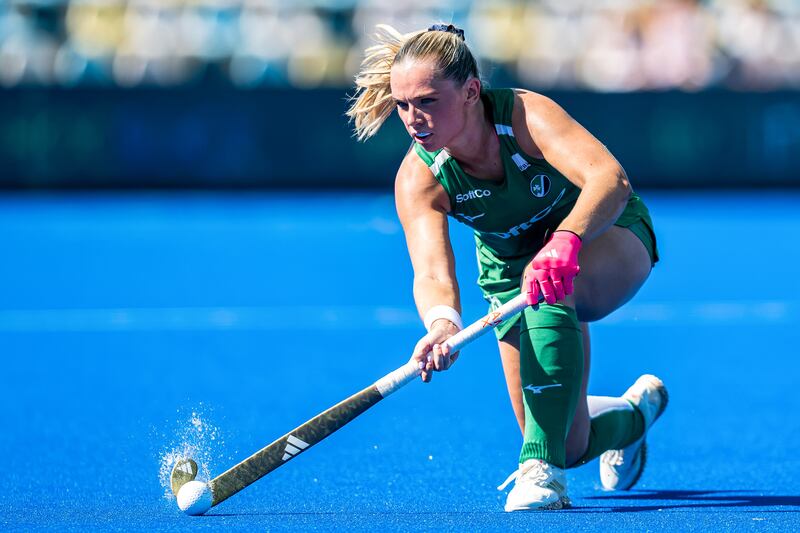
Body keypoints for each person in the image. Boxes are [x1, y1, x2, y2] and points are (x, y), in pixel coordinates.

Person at [346, 23, 668, 511]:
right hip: (515, 270)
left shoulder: (523, 115)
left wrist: (565, 240)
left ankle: (540, 471)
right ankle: (634, 415)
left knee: (546, 285)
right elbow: (432, 272)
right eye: (402, 105)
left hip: (604, 234)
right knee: (571, 442)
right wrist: (441, 325)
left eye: (428, 101)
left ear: (472, 91)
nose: (413, 119)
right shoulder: (419, 178)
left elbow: (610, 179)